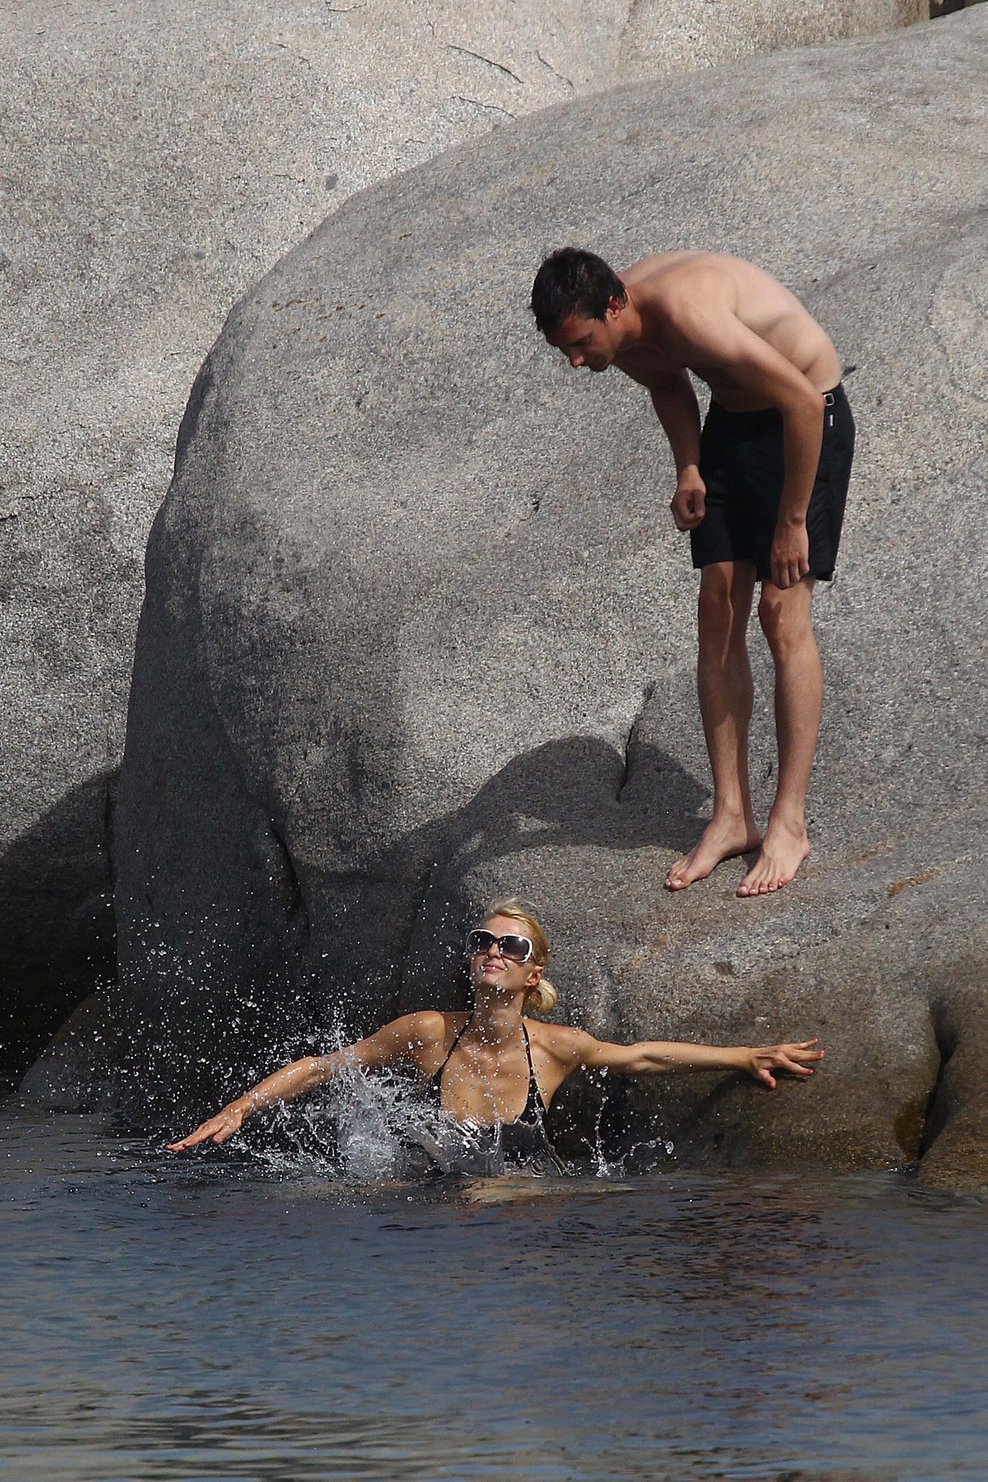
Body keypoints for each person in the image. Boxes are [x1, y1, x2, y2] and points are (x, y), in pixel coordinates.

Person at [531, 248, 855, 897]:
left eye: (581, 343)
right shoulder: (622, 332)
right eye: (564, 349)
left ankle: (789, 822)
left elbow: (799, 399)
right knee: (718, 610)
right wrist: (689, 466)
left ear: (612, 307)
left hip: (803, 421)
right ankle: (732, 816)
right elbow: (666, 382)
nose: (576, 361)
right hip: (733, 427)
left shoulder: (686, 312)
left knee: (780, 613)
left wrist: (792, 520)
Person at [168, 898, 823, 1172]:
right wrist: (240, 1108)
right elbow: (323, 1066)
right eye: (483, 941)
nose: (493, 951)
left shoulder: (555, 1047)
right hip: (429, 1199)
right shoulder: (428, 1032)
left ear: (533, 973)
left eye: (511, 946)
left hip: (515, 1203)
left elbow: (643, 1056)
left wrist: (744, 1056)